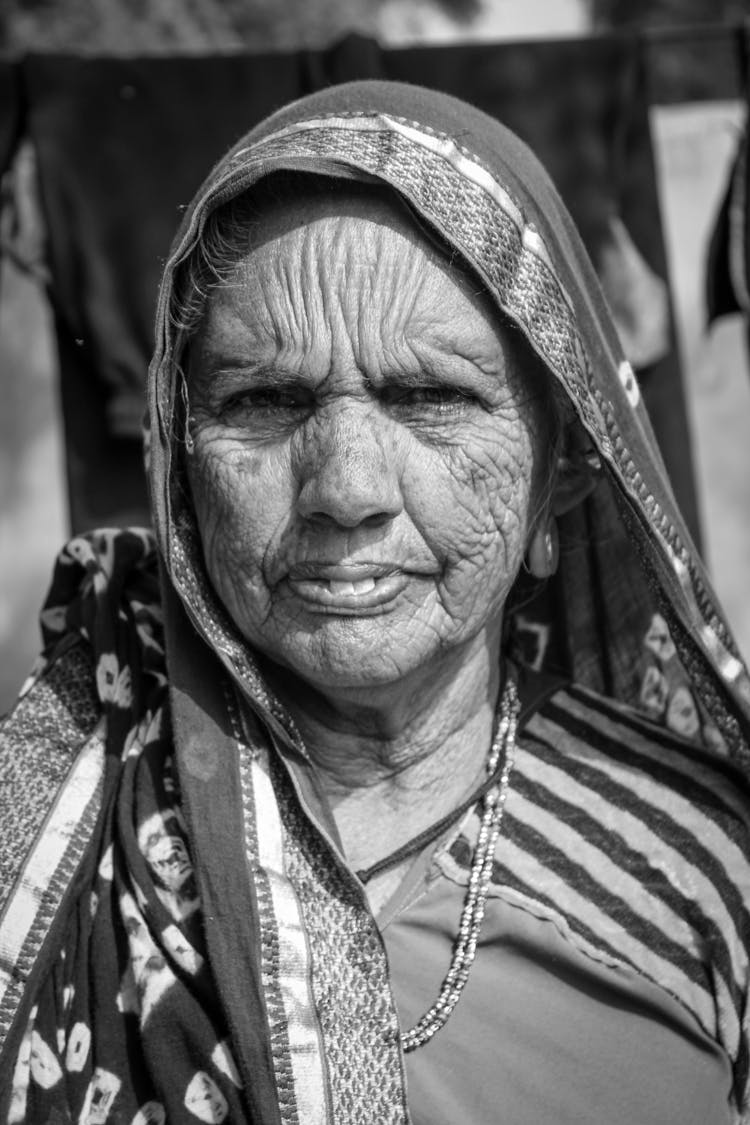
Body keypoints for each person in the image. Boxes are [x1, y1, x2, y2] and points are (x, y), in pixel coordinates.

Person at [1, 80, 749, 1125]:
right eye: (265, 402)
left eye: (431, 397)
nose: (346, 489)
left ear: (560, 478)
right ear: (180, 473)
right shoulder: (44, 843)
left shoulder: (700, 860)